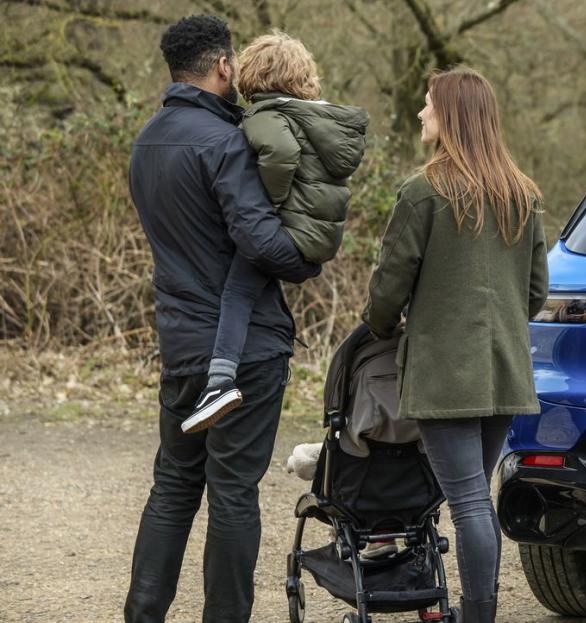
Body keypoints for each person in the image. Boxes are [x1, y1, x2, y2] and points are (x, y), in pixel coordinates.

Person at [124, 15, 319, 623]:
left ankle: (143, 612)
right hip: (246, 353)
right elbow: (260, 243)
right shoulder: (226, 141)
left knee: (174, 485)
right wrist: (306, 258)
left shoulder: (147, 141)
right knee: (233, 491)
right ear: (225, 67)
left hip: (179, 344)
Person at [363, 66, 549, 623]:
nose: (422, 113)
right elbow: (536, 292)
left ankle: (477, 616)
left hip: (447, 372)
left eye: (429, 105)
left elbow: (388, 285)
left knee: (468, 501)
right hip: (504, 370)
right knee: (473, 498)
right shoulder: (523, 194)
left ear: (453, 118)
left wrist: (378, 327)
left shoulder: (424, 193)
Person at [184, 30, 368, 433]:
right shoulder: (316, 117)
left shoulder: (269, 117)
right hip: (315, 236)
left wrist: (267, 204)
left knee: (236, 290)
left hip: (290, 231)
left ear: (255, 76)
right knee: (248, 289)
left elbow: (281, 155)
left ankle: (219, 382)